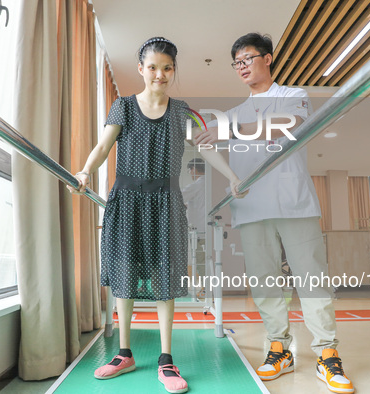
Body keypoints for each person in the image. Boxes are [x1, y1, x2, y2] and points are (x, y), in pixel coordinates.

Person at [68, 37, 244, 394]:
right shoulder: (123, 106)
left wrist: (232, 177)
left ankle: (166, 359)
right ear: (141, 69)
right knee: (125, 273)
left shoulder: (182, 111)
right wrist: (85, 171)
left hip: (165, 200)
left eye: (167, 68)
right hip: (127, 199)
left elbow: (206, 149)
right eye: (153, 67)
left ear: (174, 70)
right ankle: (124, 353)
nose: (160, 74)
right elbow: (103, 146)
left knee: (166, 278)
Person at [194, 33, 354, 394]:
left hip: (294, 202)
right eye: (236, 62)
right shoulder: (233, 113)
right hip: (250, 207)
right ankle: (278, 348)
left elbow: (285, 127)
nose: (242, 67)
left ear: (268, 58)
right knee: (265, 282)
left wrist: (226, 130)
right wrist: (231, 174)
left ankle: (328, 354)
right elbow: (208, 146)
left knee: (311, 278)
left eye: (247, 58)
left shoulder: (292, 96)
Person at [181, 158, 206, 297]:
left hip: (199, 230)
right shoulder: (208, 184)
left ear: (193, 170)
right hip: (205, 227)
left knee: (201, 260)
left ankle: (206, 290)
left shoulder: (197, 184)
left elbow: (178, 196)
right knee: (205, 260)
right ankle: (207, 288)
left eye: (189, 170)